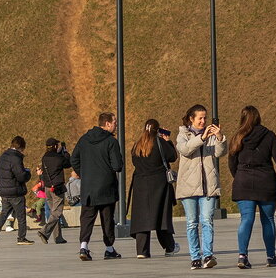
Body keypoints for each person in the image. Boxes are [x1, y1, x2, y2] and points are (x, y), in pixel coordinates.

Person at [228, 105, 276, 269]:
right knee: (268, 220)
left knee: (246, 219)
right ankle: (271, 257)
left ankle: (242, 256)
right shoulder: (269, 135)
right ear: (258, 118)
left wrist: (240, 177)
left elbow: (232, 163)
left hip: (243, 182)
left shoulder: (238, 137)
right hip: (266, 182)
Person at [176, 104, 226, 270]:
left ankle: (208, 255)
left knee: (207, 220)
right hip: (189, 186)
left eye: (205, 118)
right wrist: (202, 138)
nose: (203, 121)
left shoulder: (210, 135)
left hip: (208, 186)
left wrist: (219, 137)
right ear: (192, 119)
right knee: (192, 223)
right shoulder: (183, 134)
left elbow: (220, 153)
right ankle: (195, 256)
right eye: (200, 118)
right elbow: (185, 150)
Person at [71, 111, 124, 261]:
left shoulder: (84, 139)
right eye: (114, 122)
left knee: (87, 218)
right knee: (107, 219)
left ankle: (83, 246)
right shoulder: (111, 142)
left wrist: (84, 173)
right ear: (107, 124)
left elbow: (74, 159)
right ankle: (109, 248)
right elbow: (117, 166)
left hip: (88, 187)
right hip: (106, 187)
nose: (115, 125)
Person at [128, 119, 178, 258]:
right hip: (159, 184)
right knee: (162, 217)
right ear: (158, 130)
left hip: (140, 184)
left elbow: (134, 161)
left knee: (141, 218)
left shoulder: (137, 145)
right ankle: (169, 247)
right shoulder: (160, 143)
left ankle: (142, 251)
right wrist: (167, 141)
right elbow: (173, 156)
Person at [0, 138, 33, 246]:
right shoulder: (15, 158)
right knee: (21, 215)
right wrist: (27, 173)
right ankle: (21, 238)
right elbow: (20, 176)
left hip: (4, 191)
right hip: (15, 191)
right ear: (21, 147)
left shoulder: (3, 156)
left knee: (4, 214)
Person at [37, 138, 70, 244]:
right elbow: (68, 163)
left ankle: (58, 237)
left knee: (53, 213)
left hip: (48, 187)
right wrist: (65, 152)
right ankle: (44, 231)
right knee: (57, 212)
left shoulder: (44, 157)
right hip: (57, 187)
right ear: (55, 146)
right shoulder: (59, 157)